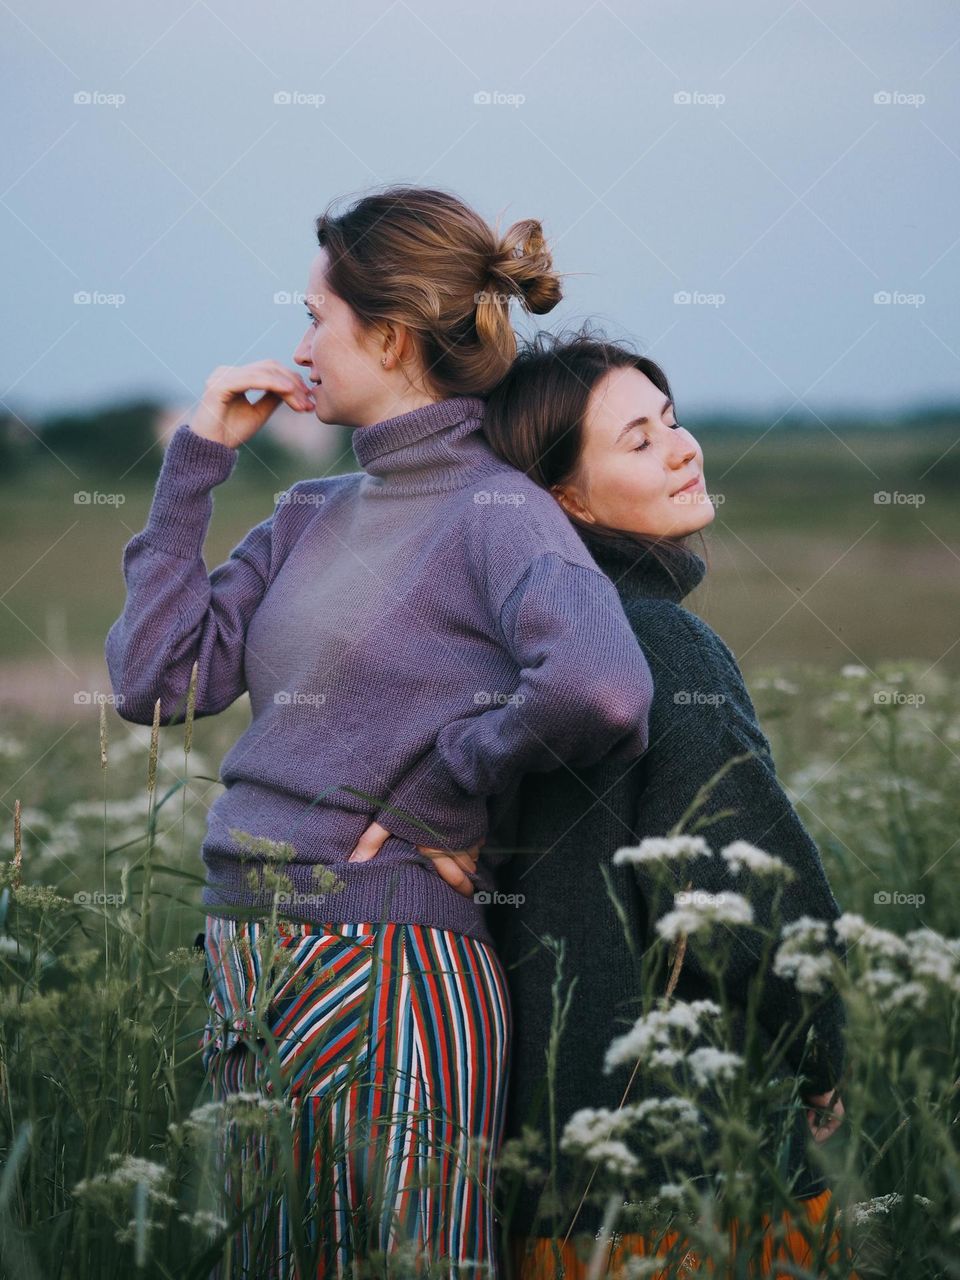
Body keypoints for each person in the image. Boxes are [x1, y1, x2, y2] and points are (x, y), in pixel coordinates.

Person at [104, 191, 657, 1278]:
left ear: (392, 335)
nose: (301, 344)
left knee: (404, 1263)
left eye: (319, 316)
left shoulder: (496, 510)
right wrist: (195, 464)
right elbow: (156, 680)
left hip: (391, 960)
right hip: (249, 958)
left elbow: (601, 685)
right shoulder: (313, 508)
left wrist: (434, 792)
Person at [481, 331, 859, 1279]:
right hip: (682, 1178)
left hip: (531, 1176)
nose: (685, 448)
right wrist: (825, 1047)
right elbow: (744, 899)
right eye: (639, 441)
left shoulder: (510, 646)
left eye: (674, 421)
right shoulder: (661, 644)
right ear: (564, 497)